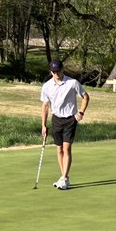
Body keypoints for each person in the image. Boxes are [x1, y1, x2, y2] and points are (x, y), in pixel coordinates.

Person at [40, 59, 90, 190]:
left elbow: (85, 97)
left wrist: (81, 112)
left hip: (70, 119)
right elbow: (45, 106)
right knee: (59, 149)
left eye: (58, 71)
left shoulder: (72, 83)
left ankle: (63, 178)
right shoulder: (47, 86)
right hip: (56, 119)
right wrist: (43, 125)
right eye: (54, 71)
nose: (56, 74)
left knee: (66, 149)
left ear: (63, 69)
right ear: (51, 72)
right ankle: (64, 178)